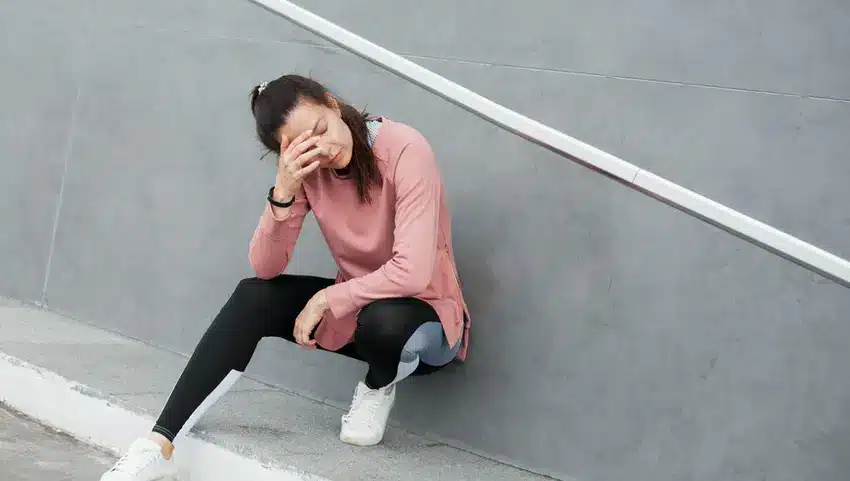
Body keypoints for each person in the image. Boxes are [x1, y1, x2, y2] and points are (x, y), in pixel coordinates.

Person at [99, 74, 471, 481]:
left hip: (425, 322)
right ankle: (159, 445)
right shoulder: (310, 171)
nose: (323, 148)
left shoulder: (406, 149)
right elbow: (266, 268)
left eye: (322, 129)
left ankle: (378, 383)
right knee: (252, 297)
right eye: (304, 146)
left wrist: (327, 298)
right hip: (357, 312)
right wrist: (283, 191)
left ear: (332, 103)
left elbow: (413, 271)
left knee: (383, 322)